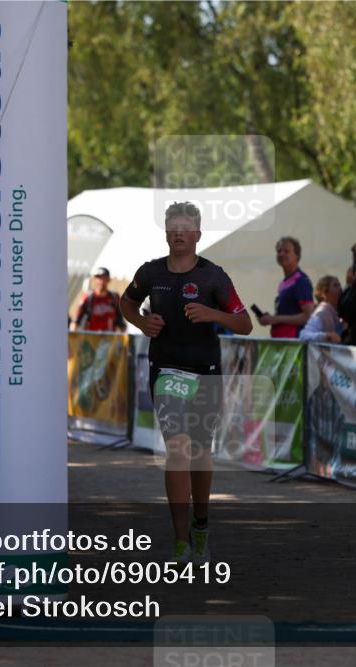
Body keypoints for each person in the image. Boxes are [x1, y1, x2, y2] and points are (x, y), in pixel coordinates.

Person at [119, 201, 251, 564]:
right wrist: (141, 323)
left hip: (205, 371)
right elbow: (126, 302)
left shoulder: (214, 277)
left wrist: (212, 314)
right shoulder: (150, 272)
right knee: (177, 448)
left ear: (197, 234)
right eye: (172, 226)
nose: (178, 232)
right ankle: (180, 542)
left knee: (199, 451)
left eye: (185, 227)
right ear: (166, 233)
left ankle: (201, 525)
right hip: (167, 370)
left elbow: (245, 324)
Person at [256, 236, 314, 338]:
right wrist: (270, 318)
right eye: (279, 251)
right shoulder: (284, 282)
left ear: (297, 255)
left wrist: (276, 319)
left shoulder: (301, 281)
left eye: (286, 251)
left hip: (293, 343)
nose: (281, 254)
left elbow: (308, 316)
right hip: (282, 343)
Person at [72, 267, 126, 332]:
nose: (101, 281)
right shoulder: (87, 298)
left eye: (104, 278)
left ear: (109, 280)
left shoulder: (115, 297)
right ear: (94, 280)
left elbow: (120, 321)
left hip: (109, 338)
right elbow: (76, 321)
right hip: (91, 338)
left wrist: (125, 338)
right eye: (99, 278)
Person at [298, 275, 343, 343]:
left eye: (339, 285)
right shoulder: (321, 312)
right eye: (335, 285)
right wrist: (326, 336)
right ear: (324, 293)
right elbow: (304, 336)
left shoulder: (334, 312)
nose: (340, 288)